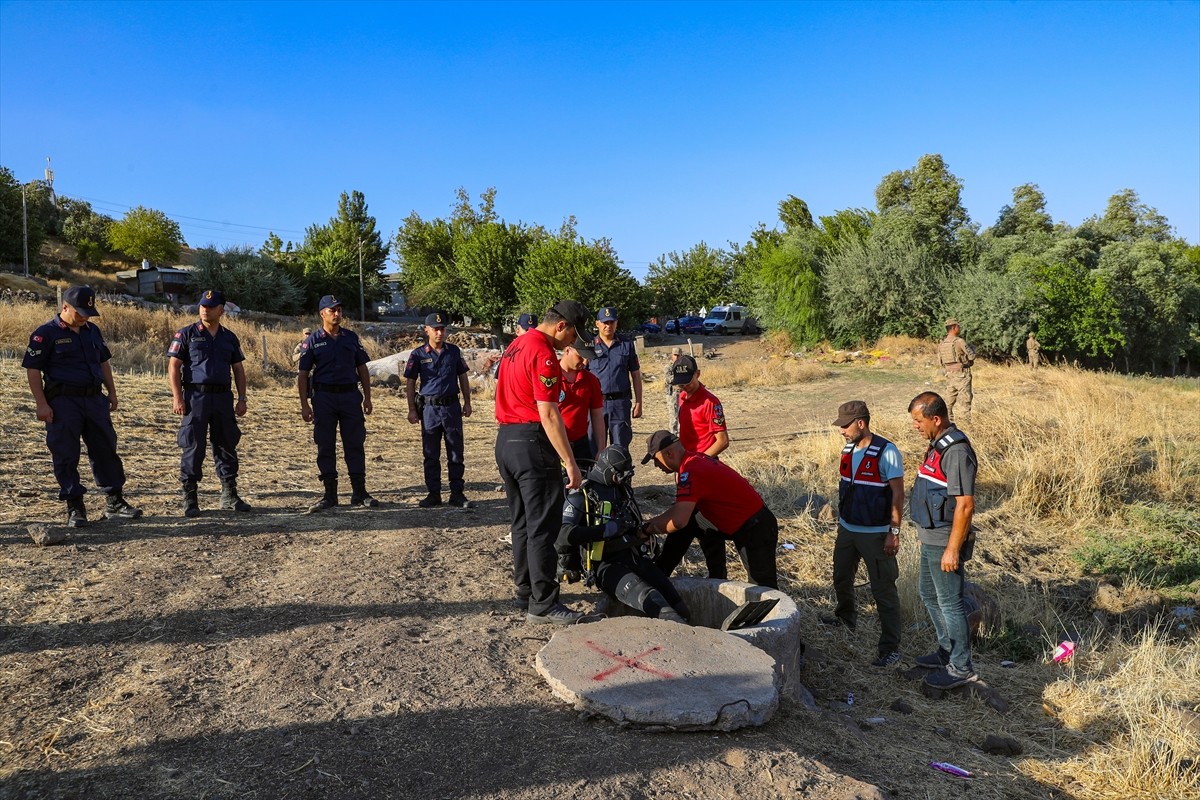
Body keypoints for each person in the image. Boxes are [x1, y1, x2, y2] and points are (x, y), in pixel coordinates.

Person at [494, 299, 595, 625]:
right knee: (543, 527)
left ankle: (525, 590)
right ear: (562, 326)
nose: (571, 345)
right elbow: (549, 413)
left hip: (506, 440)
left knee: (522, 522)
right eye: (572, 337)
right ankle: (544, 603)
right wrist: (570, 461)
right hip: (531, 443)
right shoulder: (543, 355)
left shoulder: (516, 344)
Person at [22, 285, 142, 527]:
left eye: (88, 312)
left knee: (105, 448)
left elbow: (103, 363)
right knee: (66, 453)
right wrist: (41, 404)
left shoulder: (92, 331)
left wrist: (112, 392)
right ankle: (75, 506)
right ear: (65, 307)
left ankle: (115, 502)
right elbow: (33, 370)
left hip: (94, 400)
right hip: (63, 402)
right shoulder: (45, 333)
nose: (85, 317)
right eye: (80, 312)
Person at [556, 444, 690, 623]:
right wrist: (604, 530)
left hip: (632, 556)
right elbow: (563, 536)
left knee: (675, 600)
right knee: (654, 601)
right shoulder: (582, 494)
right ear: (608, 470)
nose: (623, 479)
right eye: (620, 474)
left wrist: (640, 532)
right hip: (605, 566)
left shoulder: (622, 490)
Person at [823, 400, 905, 667]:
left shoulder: (887, 451)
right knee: (840, 577)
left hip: (876, 534)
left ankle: (890, 648)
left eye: (845, 426)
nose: (841, 431)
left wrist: (894, 532)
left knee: (884, 592)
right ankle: (845, 618)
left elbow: (898, 493)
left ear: (861, 423)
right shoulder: (848, 448)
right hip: (848, 530)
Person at [643, 430, 778, 588]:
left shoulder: (691, 471)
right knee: (693, 520)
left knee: (763, 587)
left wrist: (648, 530)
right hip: (735, 520)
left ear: (669, 453)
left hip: (755, 526)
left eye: (655, 459)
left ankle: (772, 611)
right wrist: (649, 524)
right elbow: (680, 512)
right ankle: (659, 578)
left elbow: (678, 521)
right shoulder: (693, 460)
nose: (655, 465)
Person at [908, 391, 980, 689]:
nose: (915, 426)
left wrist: (952, 549)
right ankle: (946, 650)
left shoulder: (956, 451)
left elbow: (965, 505)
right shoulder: (938, 445)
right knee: (928, 593)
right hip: (930, 537)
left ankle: (961, 667)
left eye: (918, 420)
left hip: (944, 541)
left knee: (950, 603)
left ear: (936, 419)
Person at [167, 289, 252, 518]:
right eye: (202, 305)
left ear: (221, 310)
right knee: (193, 445)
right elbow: (174, 366)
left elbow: (238, 369)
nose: (205, 309)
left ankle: (229, 493)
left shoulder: (229, 337)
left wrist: (242, 398)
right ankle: (190, 497)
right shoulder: (186, 334)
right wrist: (177, 397)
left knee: (226, 443)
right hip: (196, 397)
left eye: (211, 306)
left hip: (223, 397)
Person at [297, 295, 378, 512]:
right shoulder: (312, 340)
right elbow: (303, 374)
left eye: (339, 310)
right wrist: (305, 404)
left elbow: (362, 369)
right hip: (324, 398)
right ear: (322, 313)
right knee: (325, 444)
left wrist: (368, 397)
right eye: (332, 310)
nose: (337, 314)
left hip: (350, 397)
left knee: (355, 442)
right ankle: (330, 494)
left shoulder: (351, 338)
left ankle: (359, 492)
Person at [405, 312, 473, 508]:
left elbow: (463, 377)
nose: (440, 333)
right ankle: (433, 493)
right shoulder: (418, 354)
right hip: (429, 410)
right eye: (435, 329)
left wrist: (467, 402)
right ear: (427, 330)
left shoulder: (453, 351)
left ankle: (457, 493)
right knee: (431, 454)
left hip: (451, 408)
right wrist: (411, 409)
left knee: (455, 452)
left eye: (442, 329)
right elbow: (410, 382)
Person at [587, 306, 643, 448]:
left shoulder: (626, 344)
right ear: (597, 323)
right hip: (596, 405)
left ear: (616, 323)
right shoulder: (589, 346)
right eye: (605, 322)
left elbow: (635, 375)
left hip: (620, 404)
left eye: (611, 322)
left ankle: (620, 471)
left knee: (620, 448)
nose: (608, 326)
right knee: (594, 446)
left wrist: (639, 403)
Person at [556, 338, 606, 466]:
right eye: (581, 356)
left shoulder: (591, 380)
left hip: (580, 444)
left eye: (588, 357)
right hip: (554, 446)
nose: (585, 362)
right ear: (567, 349)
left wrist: (601, 448)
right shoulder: (549, 376)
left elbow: (597, 415)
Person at [670, 354, 729, 458]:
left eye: (688, 382)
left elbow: (723, 441)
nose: (685, 386)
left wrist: (699, 461)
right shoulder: (682, 397)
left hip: (704, 461)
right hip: (685, 459)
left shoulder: (710, 402)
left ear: (697, 374)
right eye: (681, 384)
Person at [938, 317, 976, 424]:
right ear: (954, 327)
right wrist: (973, 349)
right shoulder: (960, 341)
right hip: (962, 374)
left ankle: (948, 423)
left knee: (948, 403)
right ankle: (966, 425)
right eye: (958, 326)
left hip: (949, 375)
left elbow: (940, 362)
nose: (960, 328)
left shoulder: (942, 343)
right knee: (965, 402)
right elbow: (972, 357)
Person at [665, 347, 682, 434]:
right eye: (675, 355)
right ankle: (673, 435)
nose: (676, 357)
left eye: (678, 355)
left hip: (682, 394)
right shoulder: (669, 367)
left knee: (683, 415)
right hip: (672, 394)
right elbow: (669, 380)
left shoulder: (683, 366)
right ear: (672, 355)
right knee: (674, 417)